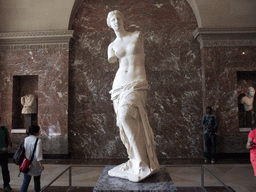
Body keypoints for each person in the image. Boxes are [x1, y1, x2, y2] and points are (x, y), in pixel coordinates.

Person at [106, 10, 160, 182]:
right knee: (123, 122)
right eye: (112, 19)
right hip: (119, 86)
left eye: (118, 18)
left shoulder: (137, 36)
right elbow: (114, 61)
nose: (116, 21)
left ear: (123, 20)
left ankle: (142, 161)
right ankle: (136, 159)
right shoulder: (112, 46)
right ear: (109, 24)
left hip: (137, 83)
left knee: (125, 116)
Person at [21, 125, 44, 192]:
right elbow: (38, 154)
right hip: (35, 163)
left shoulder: (26, 139)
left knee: (25, 181)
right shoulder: (38, 140)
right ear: (36, 132)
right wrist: (40, 164)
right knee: (37, 180)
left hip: (26, 163)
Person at [0, 119, 12, 191]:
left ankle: (6, 184)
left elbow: (8, 137)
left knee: (5, 169)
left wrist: (9, 145)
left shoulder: (3, 129)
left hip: (3, 153)